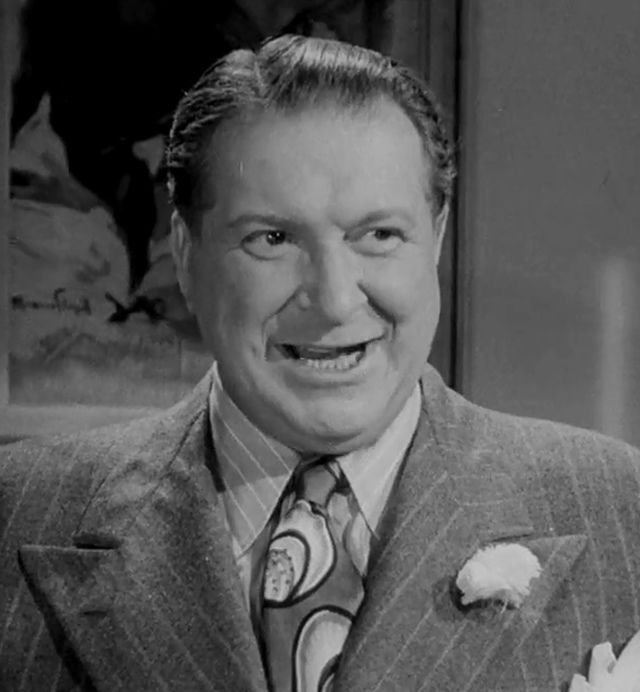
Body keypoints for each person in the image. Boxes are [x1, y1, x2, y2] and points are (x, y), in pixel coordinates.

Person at [1, 35, 640, 692]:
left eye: (380, 235)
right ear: (186, 253)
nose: (334, 300)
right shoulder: (16, 509)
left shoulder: (621, 509)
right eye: (273, 238)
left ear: (436, 239)